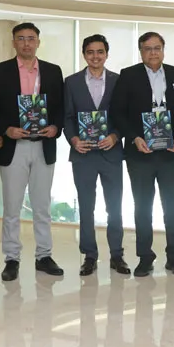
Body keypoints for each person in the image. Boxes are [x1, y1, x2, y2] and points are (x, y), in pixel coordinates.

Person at [0, 22, 66, 282]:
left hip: (43, 145)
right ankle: (12, 258)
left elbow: (60, 108)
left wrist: (55, 127)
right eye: (20, 38)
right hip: (14, 147)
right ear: (13, 42)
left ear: (38, 42)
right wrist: (6, 129)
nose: (26, 43)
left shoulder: (53, 71)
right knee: (12, 206)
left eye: (31, 38)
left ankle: (44, 255)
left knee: (42, 206)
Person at [112, 31, 174, 277]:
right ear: (141, 52)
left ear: (163, 50)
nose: (153, 52)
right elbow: (117, 112)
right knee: (142, 208)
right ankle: (145, 257)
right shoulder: (128, 75)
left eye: (157, 48)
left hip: (170, 154)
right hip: (140, 154)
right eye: (147, 48)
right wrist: (134, 137)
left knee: (173, 208)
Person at [62, 34, 127, 277]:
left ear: (106, 54)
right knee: (86, 207)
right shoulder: (71, 82)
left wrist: (116, 136)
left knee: (115, 207)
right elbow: (67, 117)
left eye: (100, 52)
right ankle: (89, 256)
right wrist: (73, 140)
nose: (95, 56)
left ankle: (117, 255)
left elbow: (125, 116)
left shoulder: (119, 81)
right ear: (84, 54)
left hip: (111, 153)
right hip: (83, 154)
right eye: (90, 52)